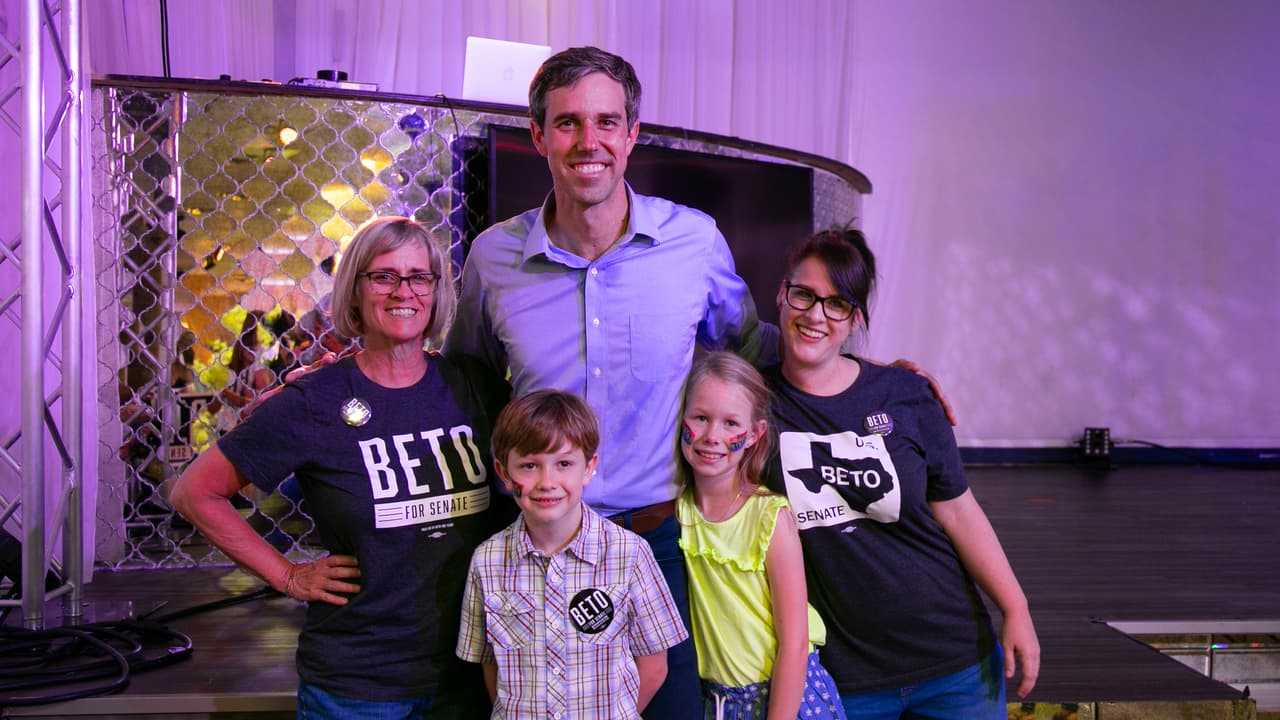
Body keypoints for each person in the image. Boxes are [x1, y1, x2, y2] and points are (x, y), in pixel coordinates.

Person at [444, 45, 775, 716]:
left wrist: (869, 370)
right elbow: (466, 381)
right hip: (537, 543)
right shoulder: (494, 258)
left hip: (662, 542)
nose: (587, 141)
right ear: (537, 134)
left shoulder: (695, 244)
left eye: (605, 122)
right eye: (567, 123)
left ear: (631, 133)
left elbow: (749, 353)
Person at [171, 216, 509, 719]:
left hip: (469, 675)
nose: (404, 291)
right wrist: (287, 576)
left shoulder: (473, 385)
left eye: (420, 277)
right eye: (384, 276)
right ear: (354, 292)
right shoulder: (316, 399)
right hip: (357, 686)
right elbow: (193, 493)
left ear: (437, 294)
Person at [762, 228, 1040, 718]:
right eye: (804, 294)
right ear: (782, 296)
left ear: (855, 320)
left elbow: (958, 513)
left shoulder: (904, 394)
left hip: (954, 661)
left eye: (837, 304)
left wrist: (1015, 608)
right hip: (845, 676)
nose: (815, 315)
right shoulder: (752, 404)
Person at [457, 390, 688, 719]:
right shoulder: (487, 562)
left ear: (588, 467)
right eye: (529, 465)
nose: (547, 481)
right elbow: (490, 665)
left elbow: (654, 665)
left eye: (564, 463)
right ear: (504, 472)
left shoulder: (630, 554)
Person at [676, 352, 845, 720]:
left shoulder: (770, 517)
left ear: (755, 434)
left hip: (786, 699)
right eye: (701, 418)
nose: (711, 437)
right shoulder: (678, 511)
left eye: (730, 423)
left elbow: (795, 643)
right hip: (716, 703)